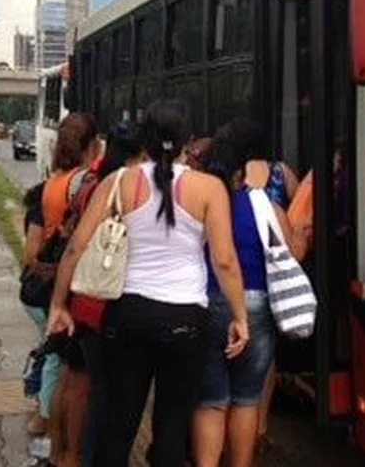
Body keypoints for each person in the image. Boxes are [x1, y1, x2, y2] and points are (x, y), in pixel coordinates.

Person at [48, 99, 250, 467]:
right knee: (172, 428)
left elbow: (76, 246)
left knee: (118, 422)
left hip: (127, 315)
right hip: (186, 320)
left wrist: (59, 305)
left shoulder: (118, 182)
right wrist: (240, 317)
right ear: (188, 140)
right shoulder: (209, 189)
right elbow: (224, 260)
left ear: (146, 138)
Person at [195, 119, 308, 467]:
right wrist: (302, 231)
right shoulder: (265, 206)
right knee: (246, 399)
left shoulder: (201, 201)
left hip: (209, 303)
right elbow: (295, 252)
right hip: (257, 305)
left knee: (211, 400)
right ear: (248, 167)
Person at [55, 121, 146, 467]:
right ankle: (88, 457)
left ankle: (69, 455)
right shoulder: (116, 189)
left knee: (93, 387)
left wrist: (61, 302)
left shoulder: (90, 184)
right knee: (104, 396)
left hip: (86, 303)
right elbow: (78, 246)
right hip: (103, 305)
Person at [40, 113, 102, 467]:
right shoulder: (82, 182)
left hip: (57, 281)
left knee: (65, 372)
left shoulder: (55, 181)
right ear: (92, 145)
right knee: (80, 381)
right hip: (75, 285)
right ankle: (72, 455)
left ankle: (58, 448)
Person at [20, 182, 55, 438]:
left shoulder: (40, 206)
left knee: (49, 348)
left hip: (37, 294)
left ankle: (37, 395)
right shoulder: (40, 211)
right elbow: (30, 255)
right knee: (52, 354)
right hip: (40, 293)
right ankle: (42, 416)